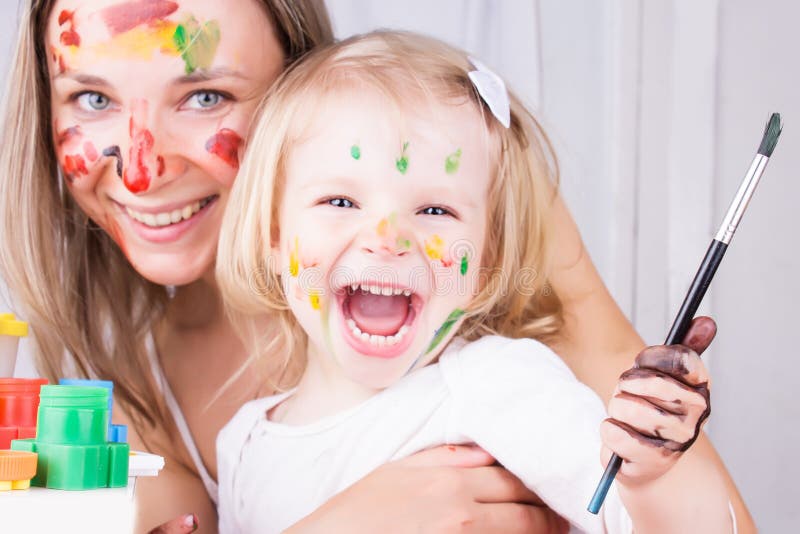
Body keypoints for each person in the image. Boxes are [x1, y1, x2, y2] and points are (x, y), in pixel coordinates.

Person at [0, 1, 754, 532]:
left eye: (205, 95)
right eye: (92, 96)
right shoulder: (138, 409)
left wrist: (657, 465)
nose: (141, 171)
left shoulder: (490, 371)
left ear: (303, 92)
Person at [214, 30, 734, 533]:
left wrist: (653, 479)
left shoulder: (499, 385)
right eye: (341, 201)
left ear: (486, 265)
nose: (387, 237)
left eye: (435, 209)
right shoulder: (242, 444)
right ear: (274, 236)